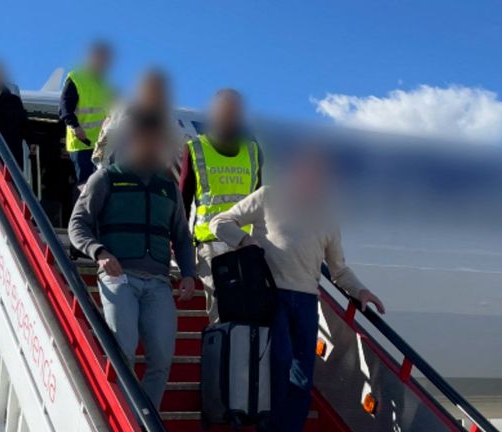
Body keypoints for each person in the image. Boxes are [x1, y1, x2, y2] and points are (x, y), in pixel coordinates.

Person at [209, 149, 385, 432]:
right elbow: (219, 222)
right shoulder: (268, 196)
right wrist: (244, 241)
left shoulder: (327, 217)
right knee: (277, 370)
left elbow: (338, 270)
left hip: (305, 302)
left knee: (302, 378)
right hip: (270, 297)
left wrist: (361, 292)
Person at [68, 108, 197, 408]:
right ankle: (121, 413)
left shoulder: (168, 188)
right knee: (123, 348)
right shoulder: (106, 178)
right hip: (119, 277)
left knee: (163, 356)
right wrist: (98, 253)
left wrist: (188, 273)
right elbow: (78, 224)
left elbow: (180, 235)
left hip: (159, 283)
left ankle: (143, 417)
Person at [178, 89, 264, 322]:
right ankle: (222, 356)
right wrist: (177, 241)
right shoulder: (196, 149)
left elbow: (261, 201)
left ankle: (240, 357)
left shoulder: (253, 151)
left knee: (251, 310)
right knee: (223, 307)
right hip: (210, 244)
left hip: (246, 244)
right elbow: (182, 200)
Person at [92, 69, 183, 174]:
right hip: (123, 169)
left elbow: (178, 142)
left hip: (152, 171)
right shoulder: (126, 110)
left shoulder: (165, 117)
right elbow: (106, 139)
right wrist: (103, 169)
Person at [59, 41, 114, 188]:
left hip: (101, 144)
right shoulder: (76, 78)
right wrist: (75, 127)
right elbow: (64, 108)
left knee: (101, 184)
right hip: (81, 143)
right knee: (86, 185)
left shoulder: (105, 84)